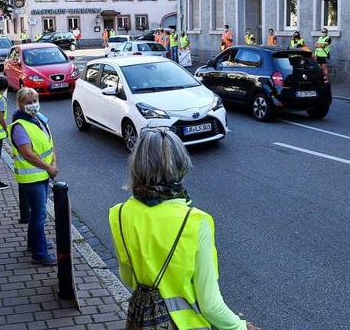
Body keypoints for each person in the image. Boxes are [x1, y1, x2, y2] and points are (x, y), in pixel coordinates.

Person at [108, 128, 260, 330]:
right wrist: (240, 327)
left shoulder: (119, 214)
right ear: (180, 165)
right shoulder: (195, 221)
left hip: (142, 322)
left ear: (136, 165)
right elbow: (210, 304)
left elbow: (128, 277)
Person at [9, 87, 58, 265]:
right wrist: (49, 167)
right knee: (39, 215)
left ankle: (35, 243)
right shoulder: (20, 126)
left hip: (42, 174)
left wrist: (54, 162)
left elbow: (50, 142)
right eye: (28, 102)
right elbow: (28, 154)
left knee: (37, 213)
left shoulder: (38, 118)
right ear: (20, 104)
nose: (33, 105)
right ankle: (39, 253)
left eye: (35, 101)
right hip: (32, 177)